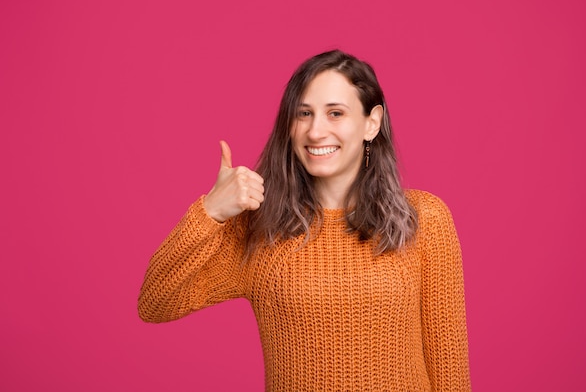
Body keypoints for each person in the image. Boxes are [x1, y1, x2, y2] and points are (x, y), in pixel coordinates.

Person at [138, 49, 471, 391]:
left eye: (335, 113)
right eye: (304, 114)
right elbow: (155, 302)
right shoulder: (261, 226)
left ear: (371, 123)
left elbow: (449, 369)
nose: (315, 131)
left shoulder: (424, 219)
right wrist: (210, 211)